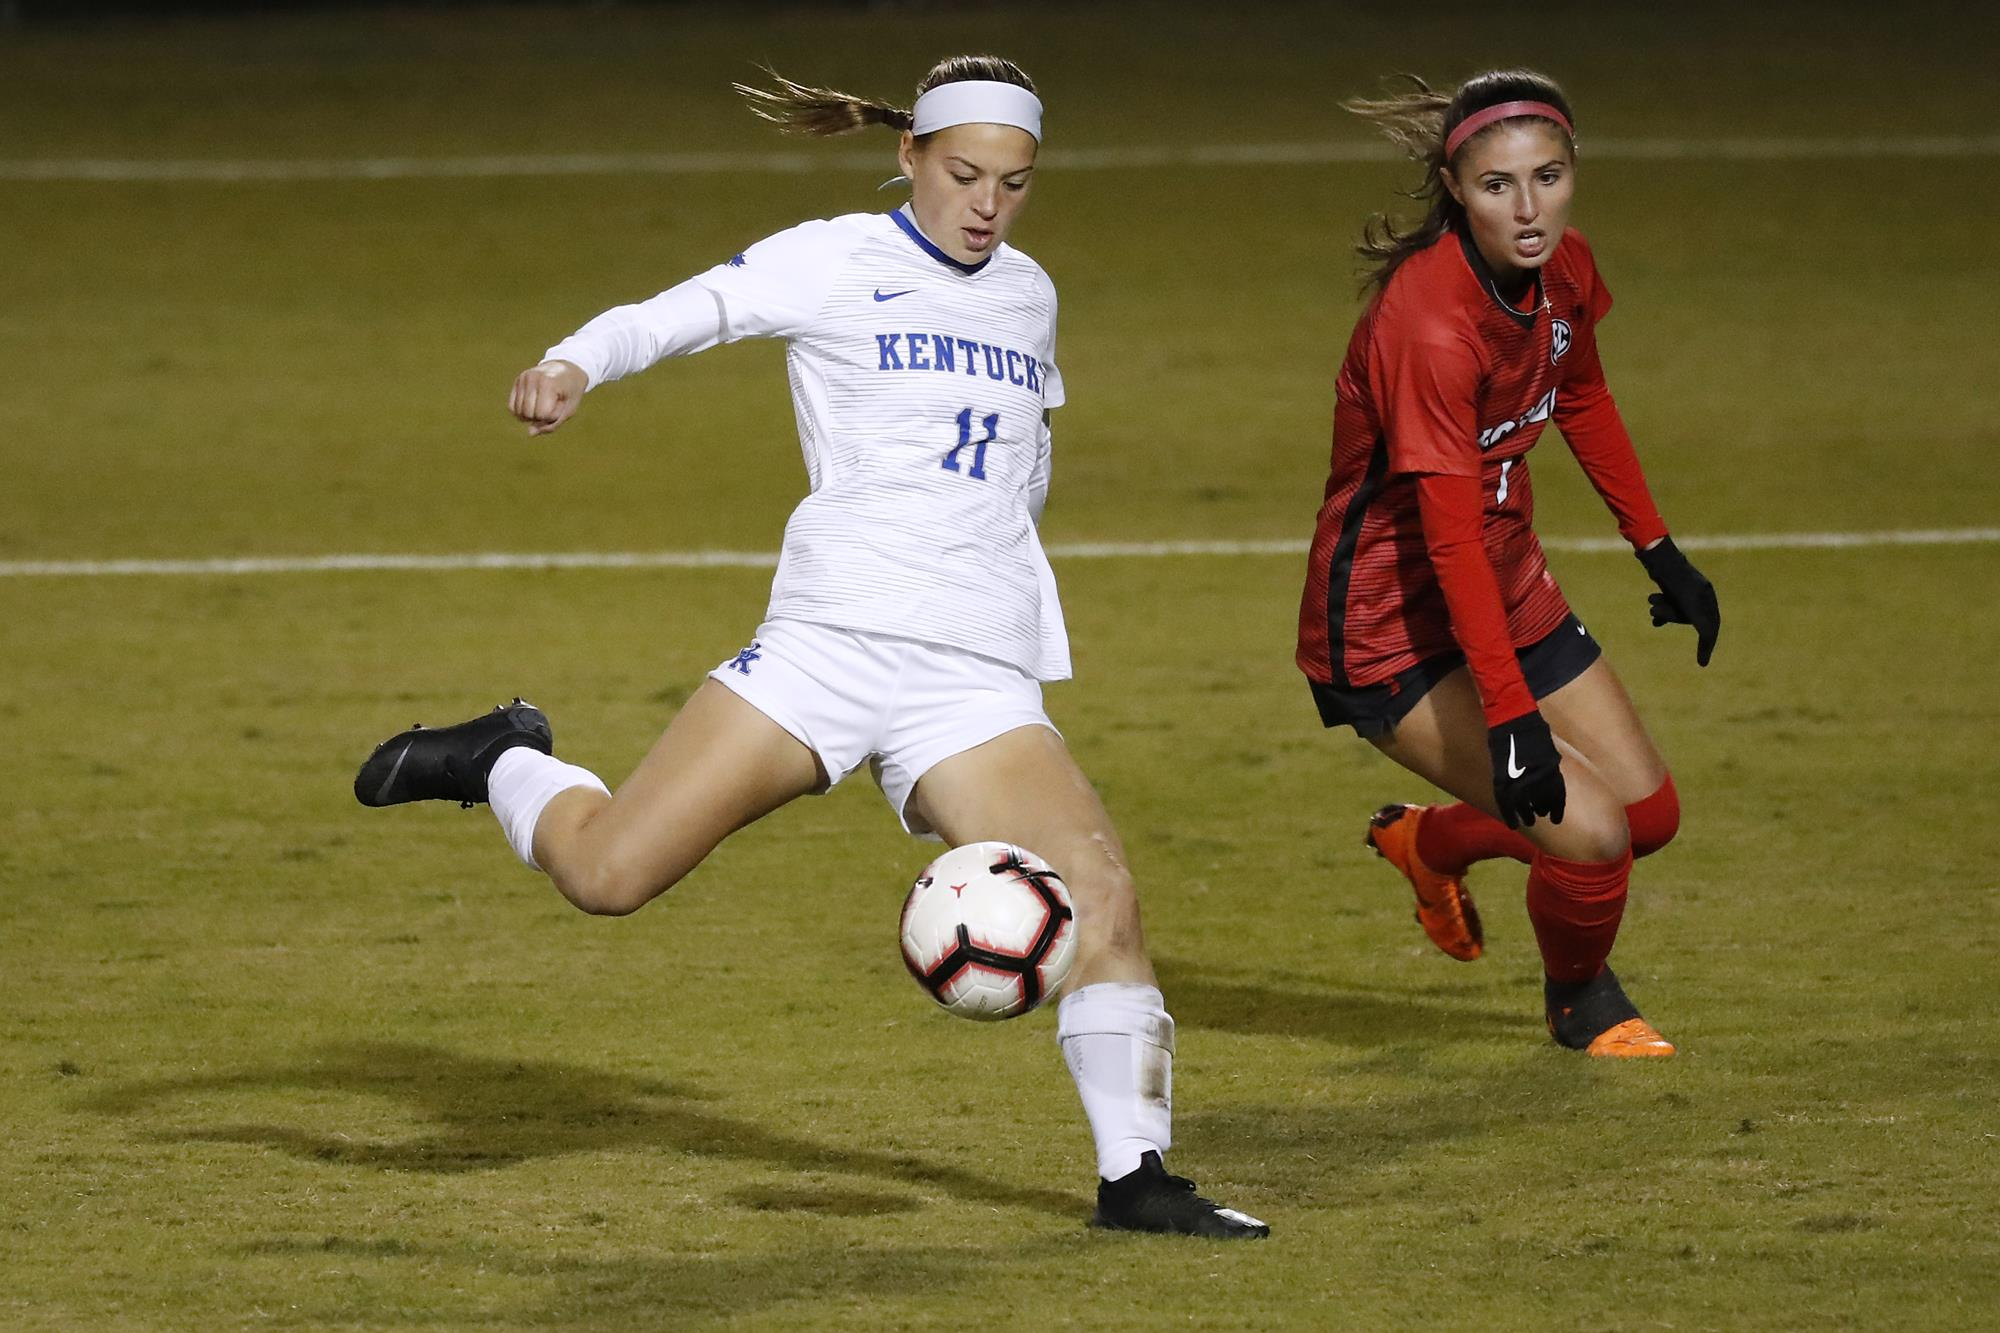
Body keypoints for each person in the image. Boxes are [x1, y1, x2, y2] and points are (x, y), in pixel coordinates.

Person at [353, 55, 1267, 1238]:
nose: (986, 203)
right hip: (827, 644)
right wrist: (574, 360)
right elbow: (680, 312)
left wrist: (1005, 607)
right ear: (909, 157)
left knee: (1099, 890)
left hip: (967, 676)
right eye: (963, 174)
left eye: (1013, 182)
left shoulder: (1028, 295)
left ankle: (1136, 1180)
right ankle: (499, 757)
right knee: (609, 875)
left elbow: (1020, 469)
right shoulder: (836, 257)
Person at [1295, 70, 1721, 1057]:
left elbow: (1580, 398)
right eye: (1497, 185)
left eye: (1548, 176)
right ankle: (1580, 1004)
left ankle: (1426, 841)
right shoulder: (1430, 322)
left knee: (1645, 815)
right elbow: (1441, 539)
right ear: (1453, 185)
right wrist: (1510, 714)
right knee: (1591, 835)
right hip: (1388, 626)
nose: (1527, 209)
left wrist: (1657, 549)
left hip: (1503, 580)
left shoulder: (1562, 268)